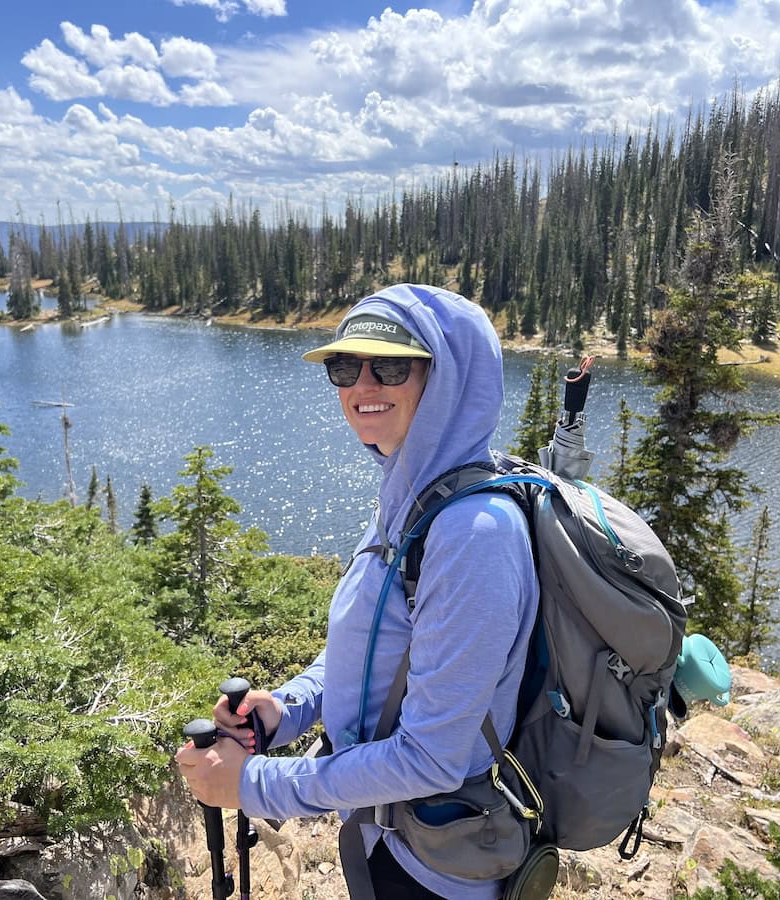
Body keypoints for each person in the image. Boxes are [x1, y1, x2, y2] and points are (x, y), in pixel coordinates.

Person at [176, 284, 538, 899]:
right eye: (345, 367)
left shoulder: (474, 533)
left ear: (445, 378)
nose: (361, 387)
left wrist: (254, 783)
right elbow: (380, 646)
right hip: (381, 830)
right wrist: (287, 708)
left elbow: (431, 759)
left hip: (438, 862)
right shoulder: (414, 493)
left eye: (391, 366)